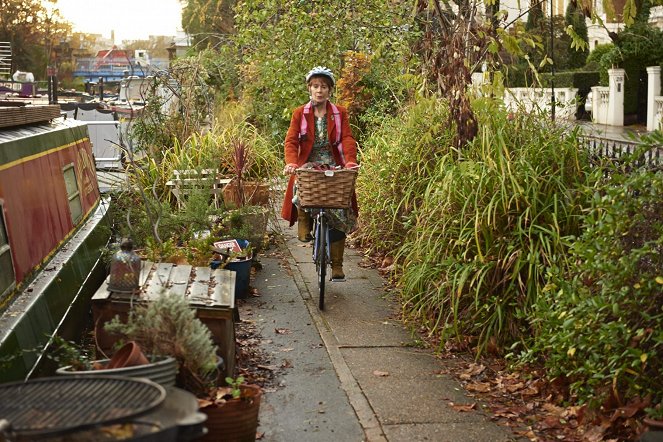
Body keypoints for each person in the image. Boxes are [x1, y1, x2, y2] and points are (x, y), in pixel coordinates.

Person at [281, 66, 359, 280]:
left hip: (333, 162)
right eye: (315, 86)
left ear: (330, 90)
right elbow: (292, 140)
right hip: (309, 162)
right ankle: (304, 217)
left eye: (324, 86)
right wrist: (291, 162)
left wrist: (350, 161)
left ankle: (336, 265)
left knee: (339, 207)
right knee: (302, 182)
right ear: (310, 89)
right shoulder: (300, 113)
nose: (319, 90)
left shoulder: (339, 112)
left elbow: (346, 139)